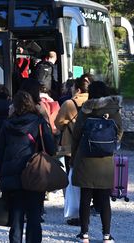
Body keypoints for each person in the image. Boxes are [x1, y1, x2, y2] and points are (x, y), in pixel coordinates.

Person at [0, 91, 56, 243]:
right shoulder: (39, 123)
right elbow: (51, 149)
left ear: (14, 106)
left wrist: (0, 173)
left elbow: (0, 151)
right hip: (34, 174)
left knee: (16, 219)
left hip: (12, 175)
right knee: (34, 218)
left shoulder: (7, 124)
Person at [71, 81, 123, 243]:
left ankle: (84, 234)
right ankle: (106, 235)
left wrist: (74, 156)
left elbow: (76, 134)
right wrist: (111, 146)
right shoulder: (114, 109)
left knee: (85, 197)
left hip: (86, 156)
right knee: (104, 199)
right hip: (106, 159)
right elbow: (120, 131)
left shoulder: (86, 109)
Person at [55, 77, 90, 226]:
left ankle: (73, 210)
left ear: (78, 90)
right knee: (87, 180)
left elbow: (58, 122)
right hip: (90, 146)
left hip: (70, 147)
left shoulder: (70, 103)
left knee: (71, 178)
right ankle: (87, 209)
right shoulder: (95, 103)